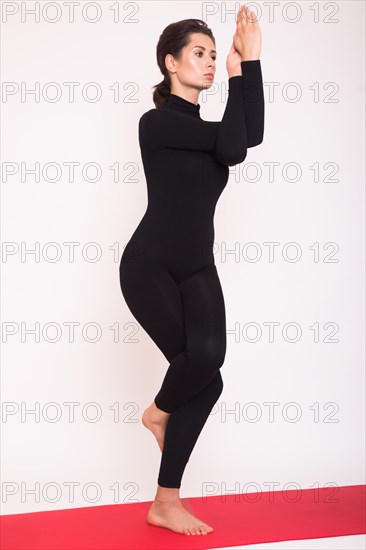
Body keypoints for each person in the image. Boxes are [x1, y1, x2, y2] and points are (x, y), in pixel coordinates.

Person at [119, 5, 264, 536]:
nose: (207, 61)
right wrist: (235, 76)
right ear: (170, 63)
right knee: (199, 367)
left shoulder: (209, 131)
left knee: (208, 374)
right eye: (198, 54)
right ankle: (160, 415)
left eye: (210, 53)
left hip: (197, 265)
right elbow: (234, 144)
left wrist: (247, 64)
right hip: (149, 265)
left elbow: (251, 137)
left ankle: (164, 500)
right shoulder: (156, 124)